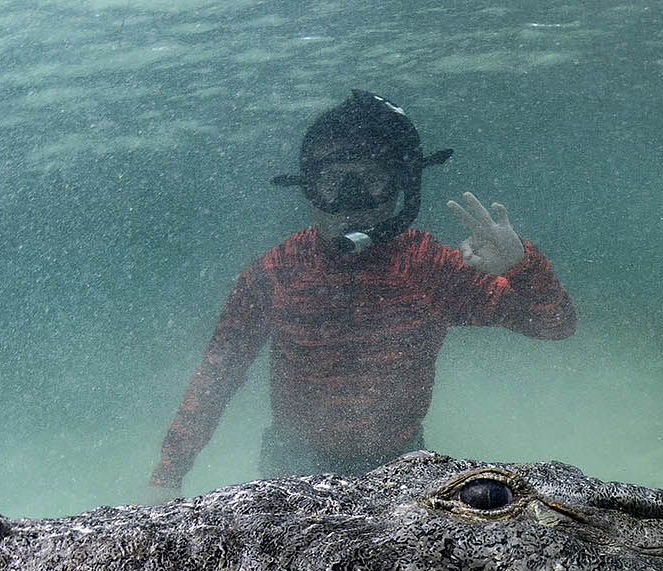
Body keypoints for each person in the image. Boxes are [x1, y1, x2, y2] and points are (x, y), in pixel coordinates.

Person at [146, 90, 576, 493]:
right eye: (332, 181)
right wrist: (168, 475)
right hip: (293, 467)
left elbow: (555, 325)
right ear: (307, 189)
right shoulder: (276, 273)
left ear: (402, 187)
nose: (352, 201)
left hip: (400, 467)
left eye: (372, 180)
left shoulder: (432, 269)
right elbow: (216, 377)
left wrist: (522, 264)